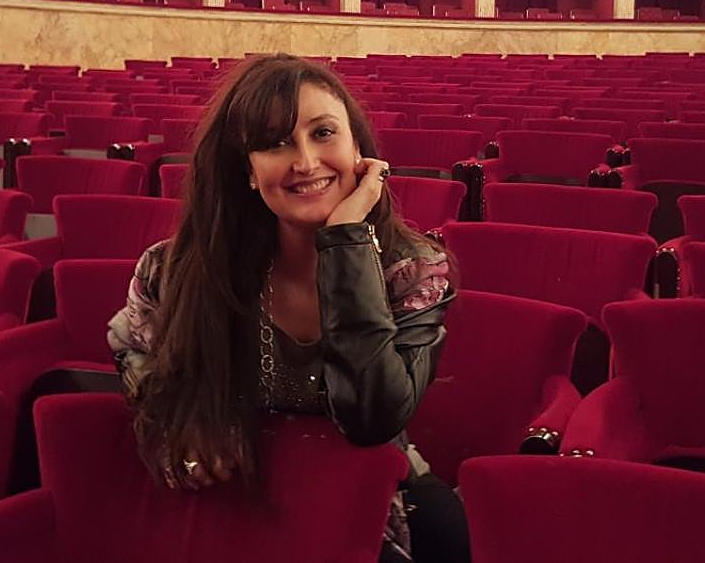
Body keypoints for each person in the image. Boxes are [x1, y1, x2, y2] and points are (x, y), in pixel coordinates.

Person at [107, 53, 469, 563]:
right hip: (240, 483)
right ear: (248, 172)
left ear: (359, 151)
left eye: (323, 133)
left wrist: (346, 241)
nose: (304, 161)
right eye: (276, 143)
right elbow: (129, 347)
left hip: (365, 487)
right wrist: (174, 425)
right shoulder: (172, 270)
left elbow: (372, 418)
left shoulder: (413, 273)